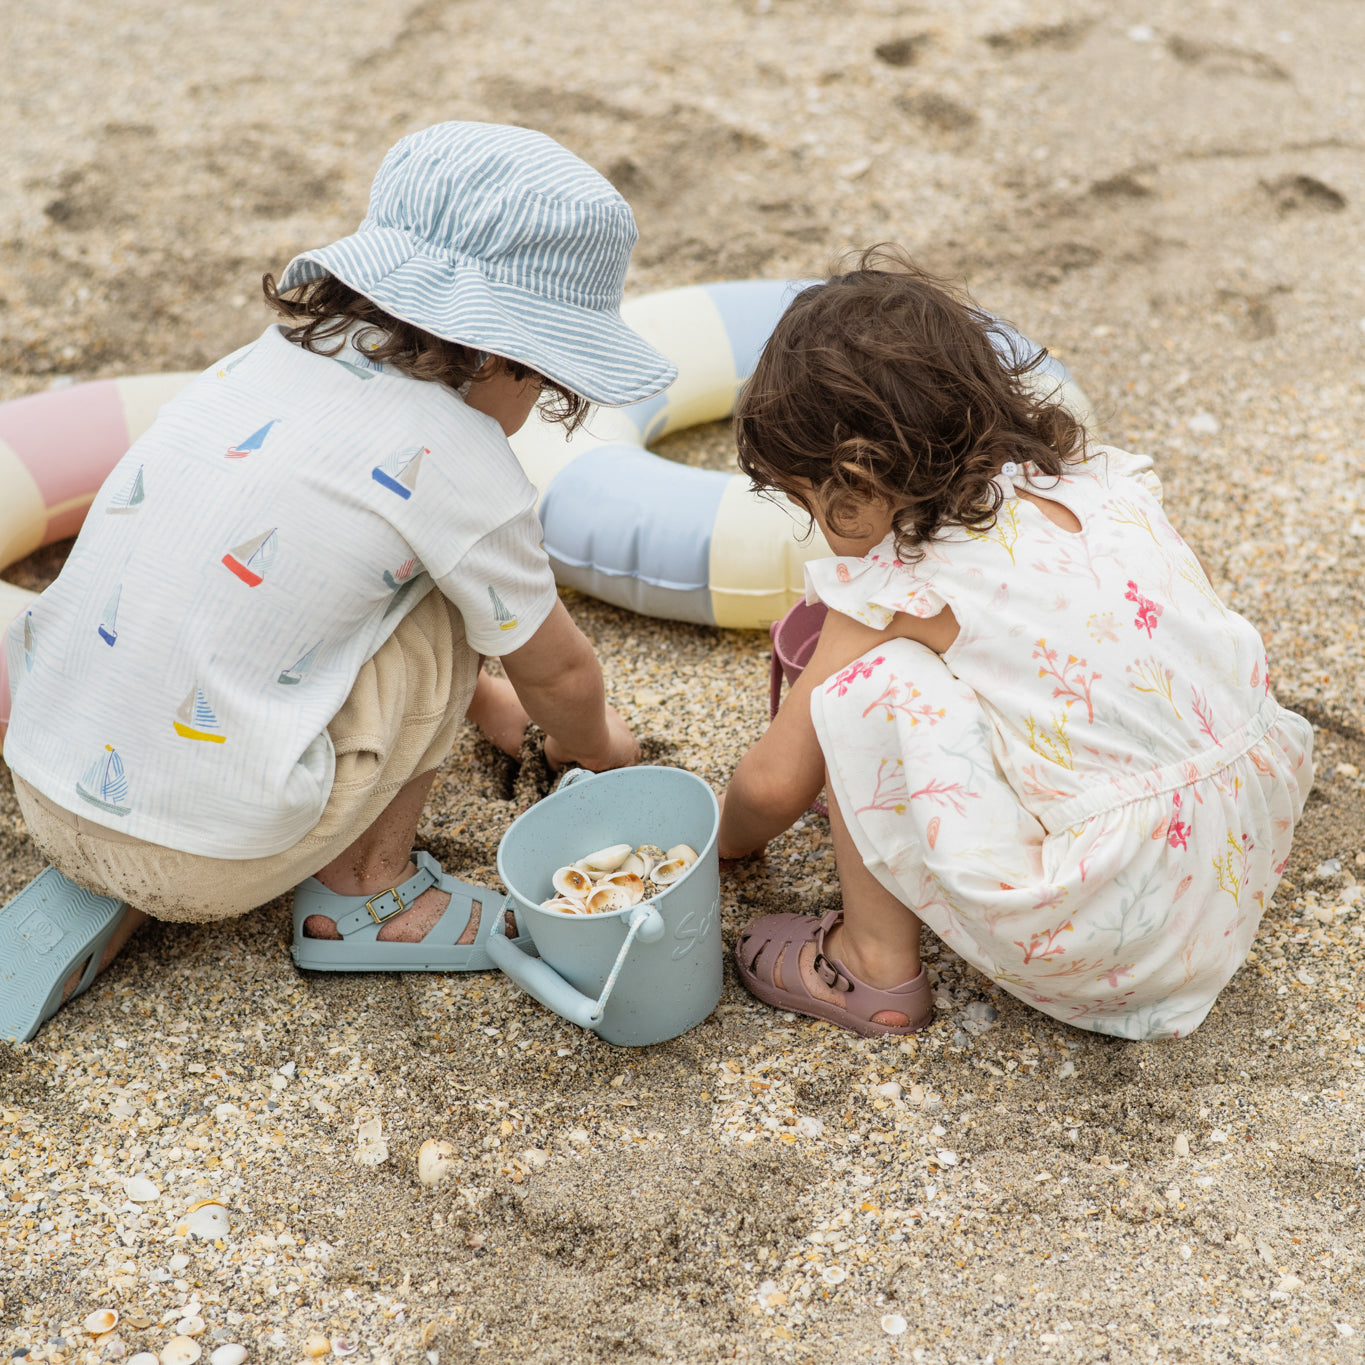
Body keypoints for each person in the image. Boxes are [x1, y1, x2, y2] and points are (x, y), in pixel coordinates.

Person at [0, 121, 676, 1043]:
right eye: (546, 378)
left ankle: (137, 846)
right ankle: (368, 896)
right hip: (211, 856)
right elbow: (560, 676)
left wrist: (485, 709)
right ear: (501, 353)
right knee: (454, 596)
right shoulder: (463, 459)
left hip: (44, 779)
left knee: (306, 572)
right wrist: (602, 757)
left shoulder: (264, 358)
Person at [718, 247, 1313, 1041]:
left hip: (1116, 932)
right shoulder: (1096, 483)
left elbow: (771, 787)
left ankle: (870, 964)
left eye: (808, 500)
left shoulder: (898, 582)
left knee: (866, 686)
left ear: (855, 479)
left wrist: (717, 845)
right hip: (1237, 855)